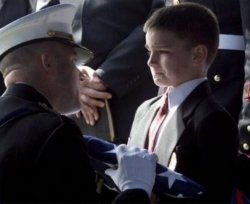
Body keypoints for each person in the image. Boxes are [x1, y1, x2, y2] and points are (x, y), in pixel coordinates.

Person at [0, 4, 158, 203]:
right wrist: (136, 187)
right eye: (73, 61)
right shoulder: (56, 131)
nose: (80, 73)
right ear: (47, 63)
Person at [127, 3, 239, 203]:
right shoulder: (145, 110)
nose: (150, 61)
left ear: (197, 55)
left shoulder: (213, 120)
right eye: (148, 51)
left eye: (162, 52)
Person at [35, 0, 164, 144]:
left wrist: (105, 76)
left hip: (134, 99)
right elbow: (43, 26)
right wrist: (71, 76)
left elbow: (161, 17)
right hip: (71, 112)